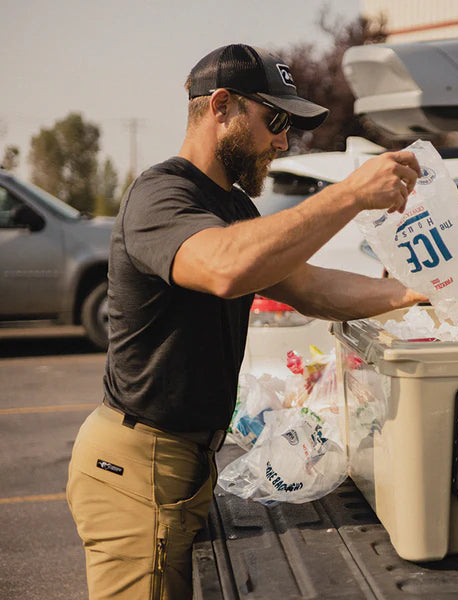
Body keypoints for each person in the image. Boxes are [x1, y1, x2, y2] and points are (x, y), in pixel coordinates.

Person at [66, 43, 425, 600]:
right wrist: (351, 194)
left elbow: (311, 288)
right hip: (138, 466)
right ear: (221, 106)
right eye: (276, 119)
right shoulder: (160, 195)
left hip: (183, 460)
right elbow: (225, 268)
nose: (284, 140)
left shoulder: (233, 207)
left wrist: (417, 294)